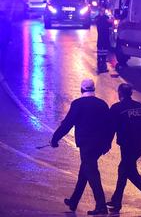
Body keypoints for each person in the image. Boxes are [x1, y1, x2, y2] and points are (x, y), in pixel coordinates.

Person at [50, 78, 112, 215]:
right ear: (93, 89)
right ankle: (74, 201)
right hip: (99, 145)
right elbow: (109, 126)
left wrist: (55, 138)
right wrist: (107, 143)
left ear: (82, 89)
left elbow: (67, 124)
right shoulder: (102, 104)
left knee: (92, 173)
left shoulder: (78, 104)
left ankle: (101, 206)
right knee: (84, 172)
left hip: (86, 144)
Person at [106, 83, 141, 213]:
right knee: (126, 170)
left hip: (127, 146)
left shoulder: (117, 108)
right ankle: (118, 200)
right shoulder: (139, 106)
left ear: (120, 94)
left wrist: (106, 143)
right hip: (140, 145)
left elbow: (110, 128)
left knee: (125, 170)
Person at [95, 8, 111, 74]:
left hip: (102, 37)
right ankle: (102, 66)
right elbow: (110, 23)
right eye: (102, 11)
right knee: (102, 52)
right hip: (103, 37)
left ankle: (101, 65)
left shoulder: (98, 18)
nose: (103, 12)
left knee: (101, 51)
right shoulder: (104, 18)